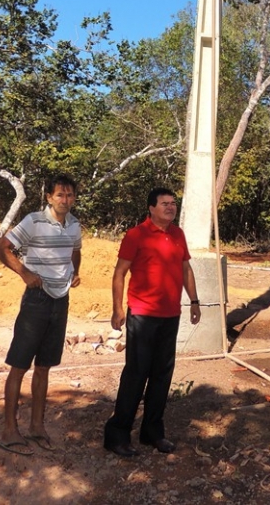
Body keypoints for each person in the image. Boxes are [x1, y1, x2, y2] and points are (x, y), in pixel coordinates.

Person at [104, 187, 201, 457]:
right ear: (151, 208)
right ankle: (117, 435)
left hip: (170, 315)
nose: (170, 207)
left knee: (162, 376)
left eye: (173, 203)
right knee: (136, 375)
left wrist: (194, 301)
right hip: (143, 316)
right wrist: (117, 309)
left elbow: (185, 269)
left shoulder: (178, 235)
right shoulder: (136, 235)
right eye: (164, 203)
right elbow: (120, 273)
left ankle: (152, 433)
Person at [0, 172, 82, 455]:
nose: (65, 200)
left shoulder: (74, 225)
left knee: (44, 366)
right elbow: (2, 247)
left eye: (69, 195)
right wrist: (24, 272)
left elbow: (75, 250)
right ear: (49, 197)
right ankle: (10, 431)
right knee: (19, 365)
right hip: (36, 300)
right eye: (60, 195)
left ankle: (36, 427)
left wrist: (74, 272)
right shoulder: (33, 221)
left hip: (60, 301)